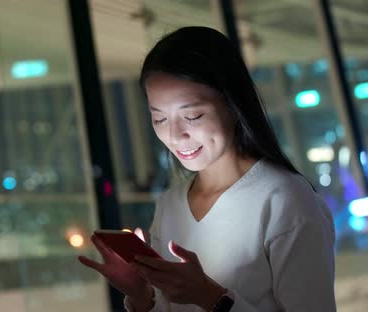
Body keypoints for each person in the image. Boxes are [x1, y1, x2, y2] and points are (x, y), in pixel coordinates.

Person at [78, 26, 335, 311]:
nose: (175, 135)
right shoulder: (170, 204)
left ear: (233, 104)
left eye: (192, 115)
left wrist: (213, 299)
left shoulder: (284, 198)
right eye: (160, 119)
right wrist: (142, 296)